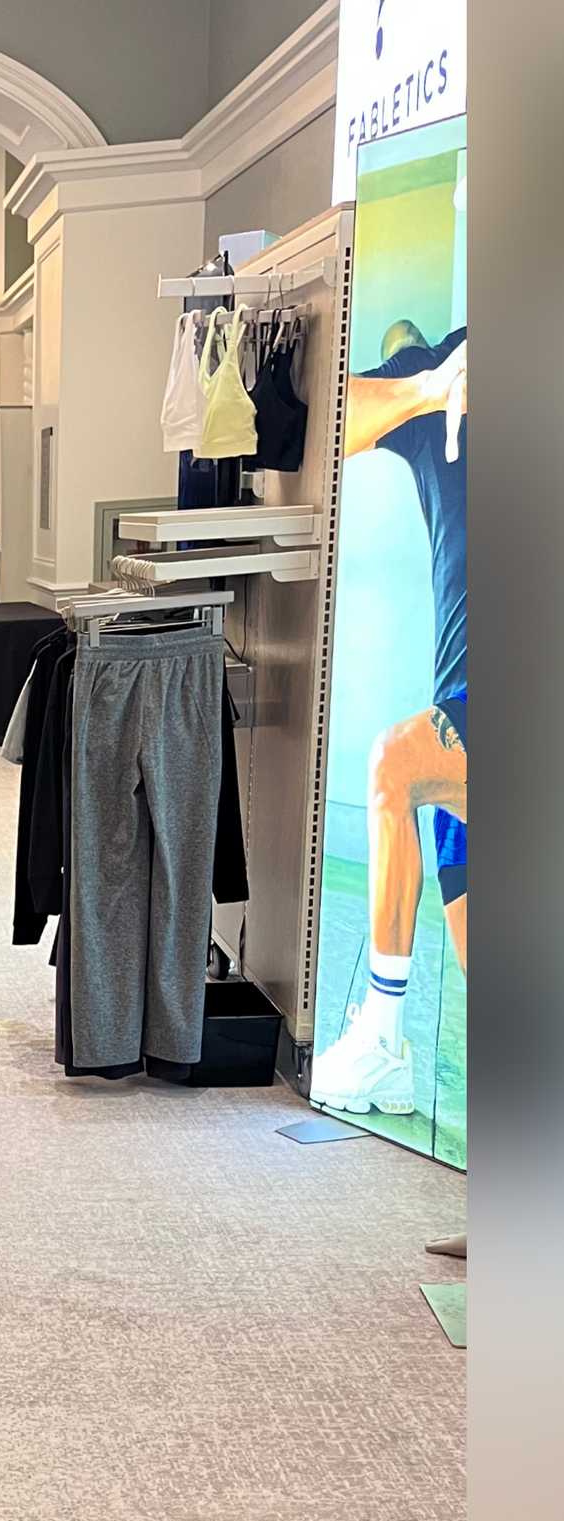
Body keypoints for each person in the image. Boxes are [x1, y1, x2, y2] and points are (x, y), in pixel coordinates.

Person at [309, 321, 466, 1118]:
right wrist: (431, 387)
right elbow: (328, 421)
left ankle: (381, 1039)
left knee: (394, 761)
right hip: (462, 696)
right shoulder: (447, 367)